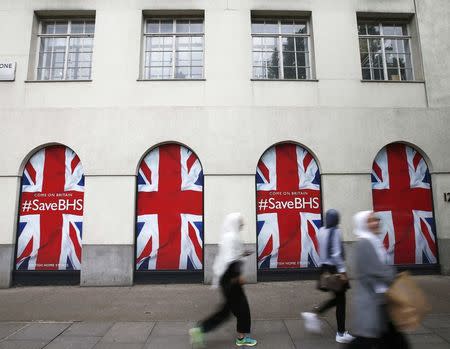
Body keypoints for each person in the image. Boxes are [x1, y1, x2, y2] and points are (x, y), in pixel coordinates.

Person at [189, 213, 257, 348]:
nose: (242, 224)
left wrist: (242, 254)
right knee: (242, 309)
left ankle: (199, 330)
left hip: (226, 279)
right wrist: (237, 276)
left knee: (226, 312)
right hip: (231, 280)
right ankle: (242, 338)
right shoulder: (232, 237)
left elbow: (229, 256)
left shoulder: (228, 236)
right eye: (240, 221)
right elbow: (230, 260)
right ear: (234, 222)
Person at [348, 211, 409, 349]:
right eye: (370, 221)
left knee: (392, 340)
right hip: (373, 301)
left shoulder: (374, 242)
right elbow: (378, 271)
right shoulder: (365, 244)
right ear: (362, 224)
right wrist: (393, 274)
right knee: (366, 341)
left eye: (376, 219)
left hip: (381, 300)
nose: (375, 223)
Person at [301, 209, 354, 343]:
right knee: (341, 300)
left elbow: (321, 249)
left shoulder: (321, 230)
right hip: (334, 268)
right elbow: (336, 254)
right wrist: (343, 272)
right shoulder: (336, 232)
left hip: (324, 267)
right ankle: (340, 333)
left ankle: (314, 314)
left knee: (338, 298)